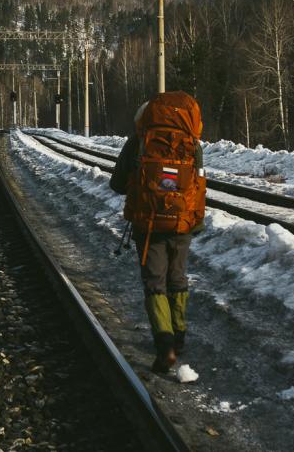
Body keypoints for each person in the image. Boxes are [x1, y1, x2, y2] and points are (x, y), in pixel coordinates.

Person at [109, 91, 206, 374]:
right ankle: (180, 336)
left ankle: (164, 346)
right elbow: (198, 184)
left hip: (148, 223)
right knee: (177, 276)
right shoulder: (192, 144)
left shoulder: (138, 142)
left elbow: (117, 184)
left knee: (155, 281)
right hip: (182, 223)